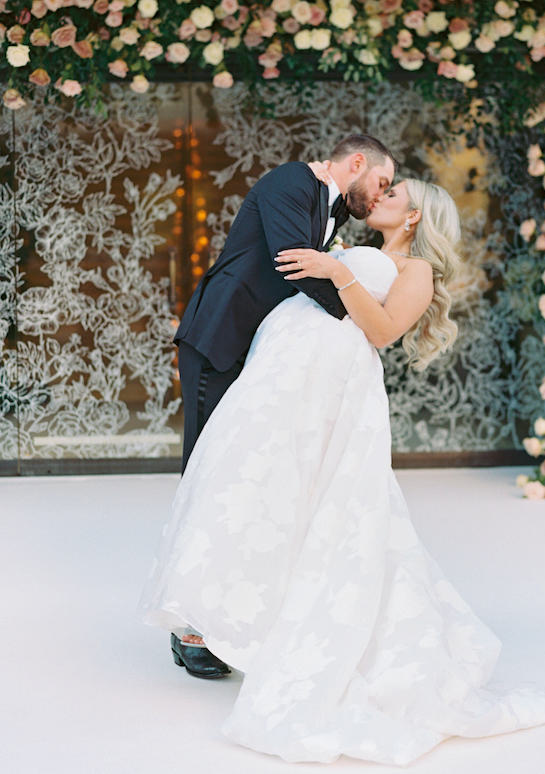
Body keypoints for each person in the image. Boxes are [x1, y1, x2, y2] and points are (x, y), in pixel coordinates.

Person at [140, 176, 545, 765]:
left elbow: (383, 330)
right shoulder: (344, 237)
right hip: (281, 377)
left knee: (328, 504)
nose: (383, 196)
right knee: (248, 492)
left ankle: (284, 629)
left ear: (415, 217)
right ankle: (213, 620)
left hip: (330, 387)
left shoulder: (417, 270)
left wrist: (336, 270)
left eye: (396, 194)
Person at [169, 135, 396, 677]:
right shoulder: (293, 181)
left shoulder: (330, 209)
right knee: (206, 475)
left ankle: (227, 612)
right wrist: (362, 319)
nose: (381, 194)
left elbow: (315, 265)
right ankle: (188, 627)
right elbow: (295, 266)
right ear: (356, 162)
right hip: (219, 340)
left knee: (236, 478)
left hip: (255, 353)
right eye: (382, 182)